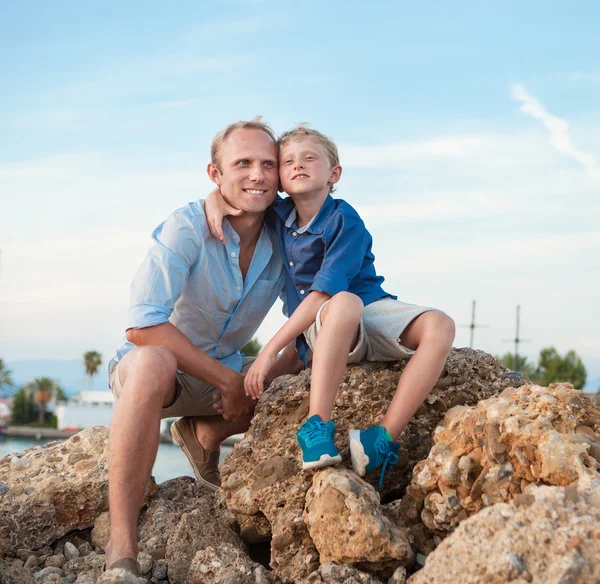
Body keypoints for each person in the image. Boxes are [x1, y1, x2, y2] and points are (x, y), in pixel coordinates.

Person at [206, 124, 455, 491]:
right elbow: (236, 194)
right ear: (279, 178)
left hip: (366, 310)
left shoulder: (344, 220)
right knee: (344, 303)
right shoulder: (277, 215)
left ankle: (381, 439)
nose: (298, 165)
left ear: (333, 173)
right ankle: (316, 427)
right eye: (287, 160)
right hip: (324, 326)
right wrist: (214, 201)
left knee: (440, 325)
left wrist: (268, 352)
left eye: (310, 158)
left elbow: (324, 294)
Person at [104, 118, 301, 574]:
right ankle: (121, 547)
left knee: (306, 355)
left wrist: (253, 369)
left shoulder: (285, 234)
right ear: (215, 174)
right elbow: (142, 325)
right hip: (156, 375)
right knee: (153, 360)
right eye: (243, 164)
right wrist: (227, 380)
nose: (257, 175)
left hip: (223, 373)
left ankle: (205, 434)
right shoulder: (186, 226)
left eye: (268, 164)